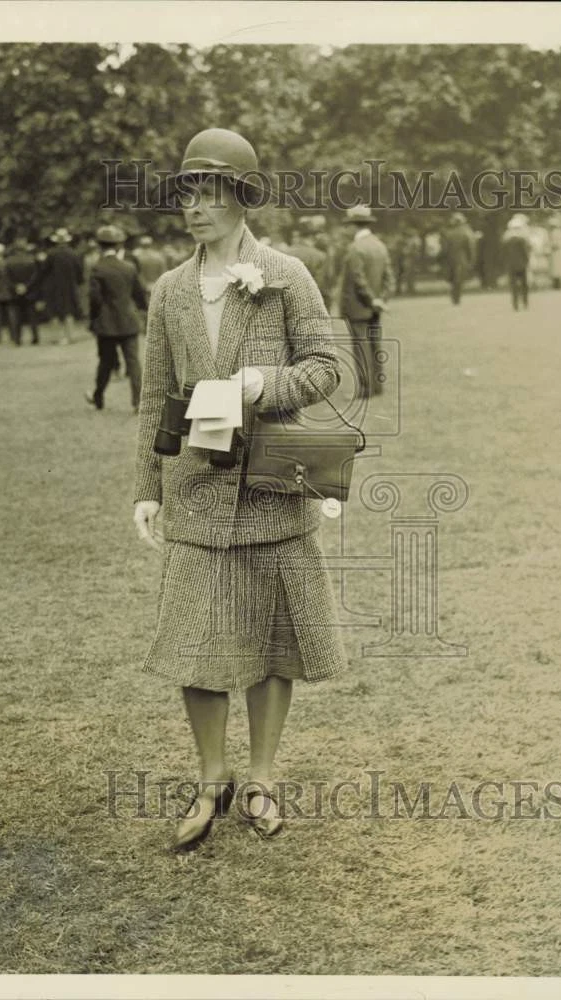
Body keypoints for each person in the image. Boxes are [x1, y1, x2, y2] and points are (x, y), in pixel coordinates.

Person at [133, 127, 346, 851]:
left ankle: (258, 777)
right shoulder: (168, 289)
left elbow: (325, 367)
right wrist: (146, 487)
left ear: (240, 196)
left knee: (269, 643)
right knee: (194, 643)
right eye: (186, 192)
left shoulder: (285, 273)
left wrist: (265, 382)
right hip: (194, 485)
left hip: (271, 489)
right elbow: (152, 394)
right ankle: (210, 777)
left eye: (209, 191)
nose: (194, 206)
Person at [86, 225, 146, 412]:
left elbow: (94, 299)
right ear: (119, 245)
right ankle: (138, 402)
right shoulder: (129, 267)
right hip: (128, 321)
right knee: (133, 362)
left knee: (105, 362)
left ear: (99, 246)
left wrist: (93, 320)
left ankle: (98, 397)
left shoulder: (97, 268)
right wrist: (143, 310)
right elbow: (139, 294)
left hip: (106, 324)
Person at [338, 204, 393, 398]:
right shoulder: (379, 245)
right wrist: (380, 300)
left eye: (348, 225)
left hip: (358, 306)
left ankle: (365, 388)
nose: (346, 229)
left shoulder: (355, 248)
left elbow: (358, 280)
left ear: (354, 226)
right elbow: (389, 277)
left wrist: (371, 300)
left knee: (361, 347)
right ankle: (377, 387)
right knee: (375, 345)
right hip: (375, 307)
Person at [42, 226, 84, 345]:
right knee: (69, 312)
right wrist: (78, 283)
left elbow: (44, 271)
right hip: (69, 287)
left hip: (54, 288)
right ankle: (70, 337)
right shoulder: (73, 254)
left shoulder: (51, 254)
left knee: (55, 313)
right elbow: (79, 272)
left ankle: (57, 337)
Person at [5, 237, 40, 345]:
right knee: (32, 316)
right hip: (29, 292)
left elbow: (7, 278)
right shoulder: (31, 259)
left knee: (16, 316)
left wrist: (16, 286)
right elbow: (35, 276)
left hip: (15, 292)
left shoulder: (9, 261)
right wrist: (26, 286)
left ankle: (17, 339)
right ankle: (35, 337)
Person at [440, 211, 475, 305]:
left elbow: (444, 248)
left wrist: (443, 259)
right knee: (458, 279)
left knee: (453, 279)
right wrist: (471, 260)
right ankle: (457, 298)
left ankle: (454, 297)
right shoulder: (467, 233)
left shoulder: (448, 233)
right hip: (461, 258)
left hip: (450, 259)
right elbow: (470, 248)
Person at [501, 214, 532, 310]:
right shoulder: (522, 239)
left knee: (513, 285)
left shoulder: (506, 239)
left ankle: (515, 304)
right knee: (524, 285)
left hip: (511, 265)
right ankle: (525, 302)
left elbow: (504, 254)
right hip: (522, 265)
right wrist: (527, 261)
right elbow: (525, 252)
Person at [548, 217, 561, 289]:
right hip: (556, 253)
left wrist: (550, 245)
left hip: (556, 252)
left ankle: (557, 285)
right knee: (555, 269)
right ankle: (556, 284)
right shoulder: (557, 232)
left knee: (557, 269)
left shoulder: (556, 232)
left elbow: (556, 244)